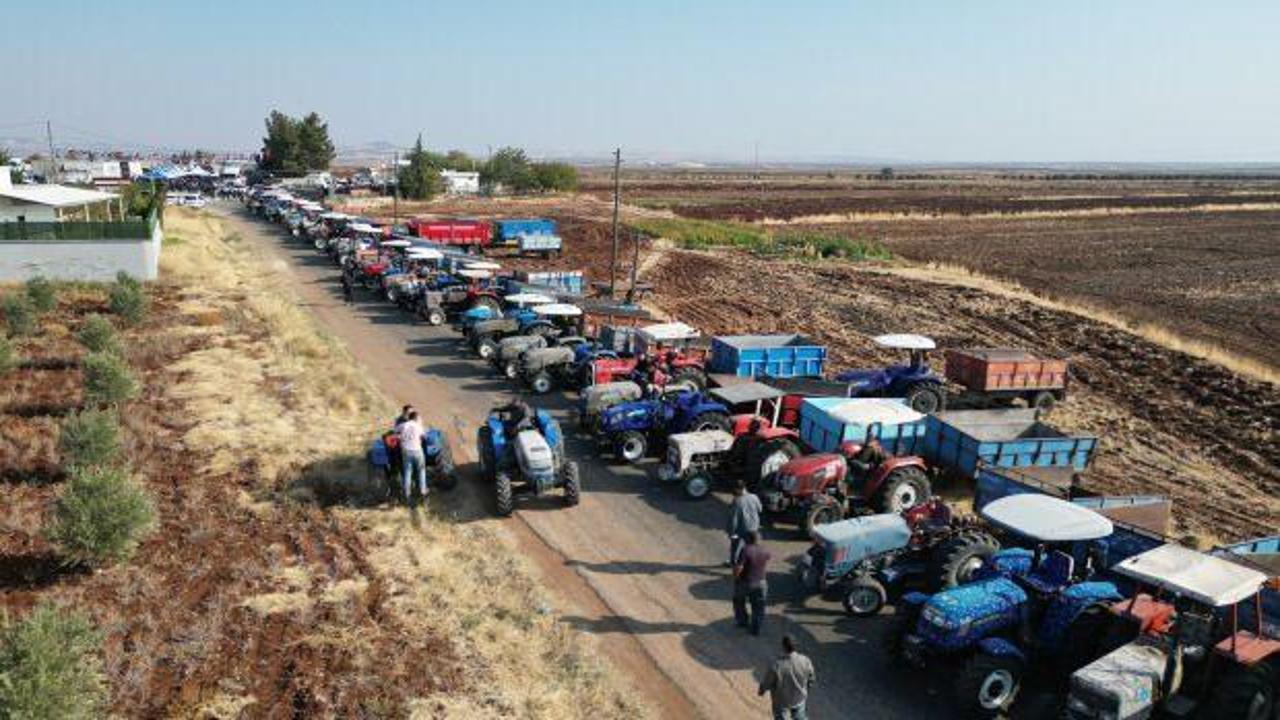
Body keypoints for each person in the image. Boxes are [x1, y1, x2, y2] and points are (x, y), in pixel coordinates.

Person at [758, 635, 816, 720]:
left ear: (783, 647)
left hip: (781, 701)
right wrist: (806, 688)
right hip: (799, 697)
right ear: (795, 646)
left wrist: (762, 690)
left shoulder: (776, 665)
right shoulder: (805, 660)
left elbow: (767, 682)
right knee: (800, 716)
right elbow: (811, 679)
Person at [732, 531, 770, 635]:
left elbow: (739, 567)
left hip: (745, 582)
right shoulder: (765, 550)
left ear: (747, 540)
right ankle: (755, 628)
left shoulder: (745, 550)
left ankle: (742, 622)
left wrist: (736, 577)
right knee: (759, 606)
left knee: (739, 601)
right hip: (761, 582)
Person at [726, 480, 762, 566]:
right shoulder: (754, 497)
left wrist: (731, 532)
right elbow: (760, 509)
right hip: (754, 527)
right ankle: (751, 564)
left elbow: (734, 519)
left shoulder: (737, 501)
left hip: (741, 529)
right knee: (751, 548)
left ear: (738, 489)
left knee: (735, 546)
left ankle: (733, 563)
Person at [397, 410, 428, 504]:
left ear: (409, 417)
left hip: (406, 451)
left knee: (407, 472)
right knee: (421, 471)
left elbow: (395, 431)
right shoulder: (418, 426)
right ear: (416, 418)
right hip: (417, 451)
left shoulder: (403, 425)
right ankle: (423, 492)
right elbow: (424, 437)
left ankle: (407, 494)